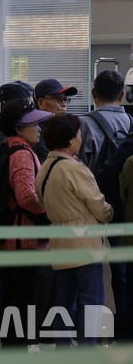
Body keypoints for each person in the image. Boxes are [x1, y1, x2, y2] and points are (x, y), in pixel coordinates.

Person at [37, 113, 113, 346]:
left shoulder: (45, 168)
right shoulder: (75, 169)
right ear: (71, 140)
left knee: (63, 301)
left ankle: (63, 351)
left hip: (60, 243)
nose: (81, 139)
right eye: (79, 135)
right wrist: (111, 213)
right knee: (91, 300)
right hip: (85, 244)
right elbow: (99, 206)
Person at [77, 69, 132, 340]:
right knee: (125, 272)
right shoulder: (131, 122)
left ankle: (94, 330)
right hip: (127, 205)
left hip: (94, 207)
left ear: (94, 94)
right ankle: (122, 329)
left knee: (94, 272)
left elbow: (79, 169)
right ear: (122, 95)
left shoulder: (84, 126)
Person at [0, 99, 54, 349]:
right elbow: (26, 196)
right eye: (34, 125)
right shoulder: (22, 154)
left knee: (15, 304)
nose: (39, 129)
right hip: (25, 241)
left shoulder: (7, 148)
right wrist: (47, 213)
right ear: (19, 128)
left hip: (12, 240)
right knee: (25, 306)